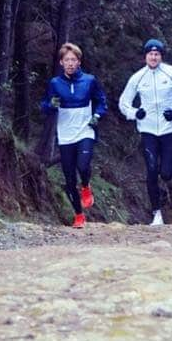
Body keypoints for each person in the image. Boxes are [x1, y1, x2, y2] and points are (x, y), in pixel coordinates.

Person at [118, 38, 172, 226]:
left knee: (166, 173)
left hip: (170, 128)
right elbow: (123, 102)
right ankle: (157, 213)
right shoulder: (137, 78)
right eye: (150, 54)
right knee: (151, 170)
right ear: (145, 56)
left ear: (161, 56)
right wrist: (136, 113)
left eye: (157, 54)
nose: (153, 57)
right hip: (148, 129)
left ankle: (171, 169)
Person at [40, 42, 108, 228]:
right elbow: (44, 107)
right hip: (66, 134)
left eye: (73, 60)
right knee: (69, 178)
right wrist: (50, 105)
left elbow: (102, 102)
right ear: (61, 63)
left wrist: (97, 115)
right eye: (66, 60)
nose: (70, 63)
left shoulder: (89, 80)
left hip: (85, 129)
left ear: (79, 62)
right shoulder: (55, 83)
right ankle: (78, 215)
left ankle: (85, 186)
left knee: (83, 165)